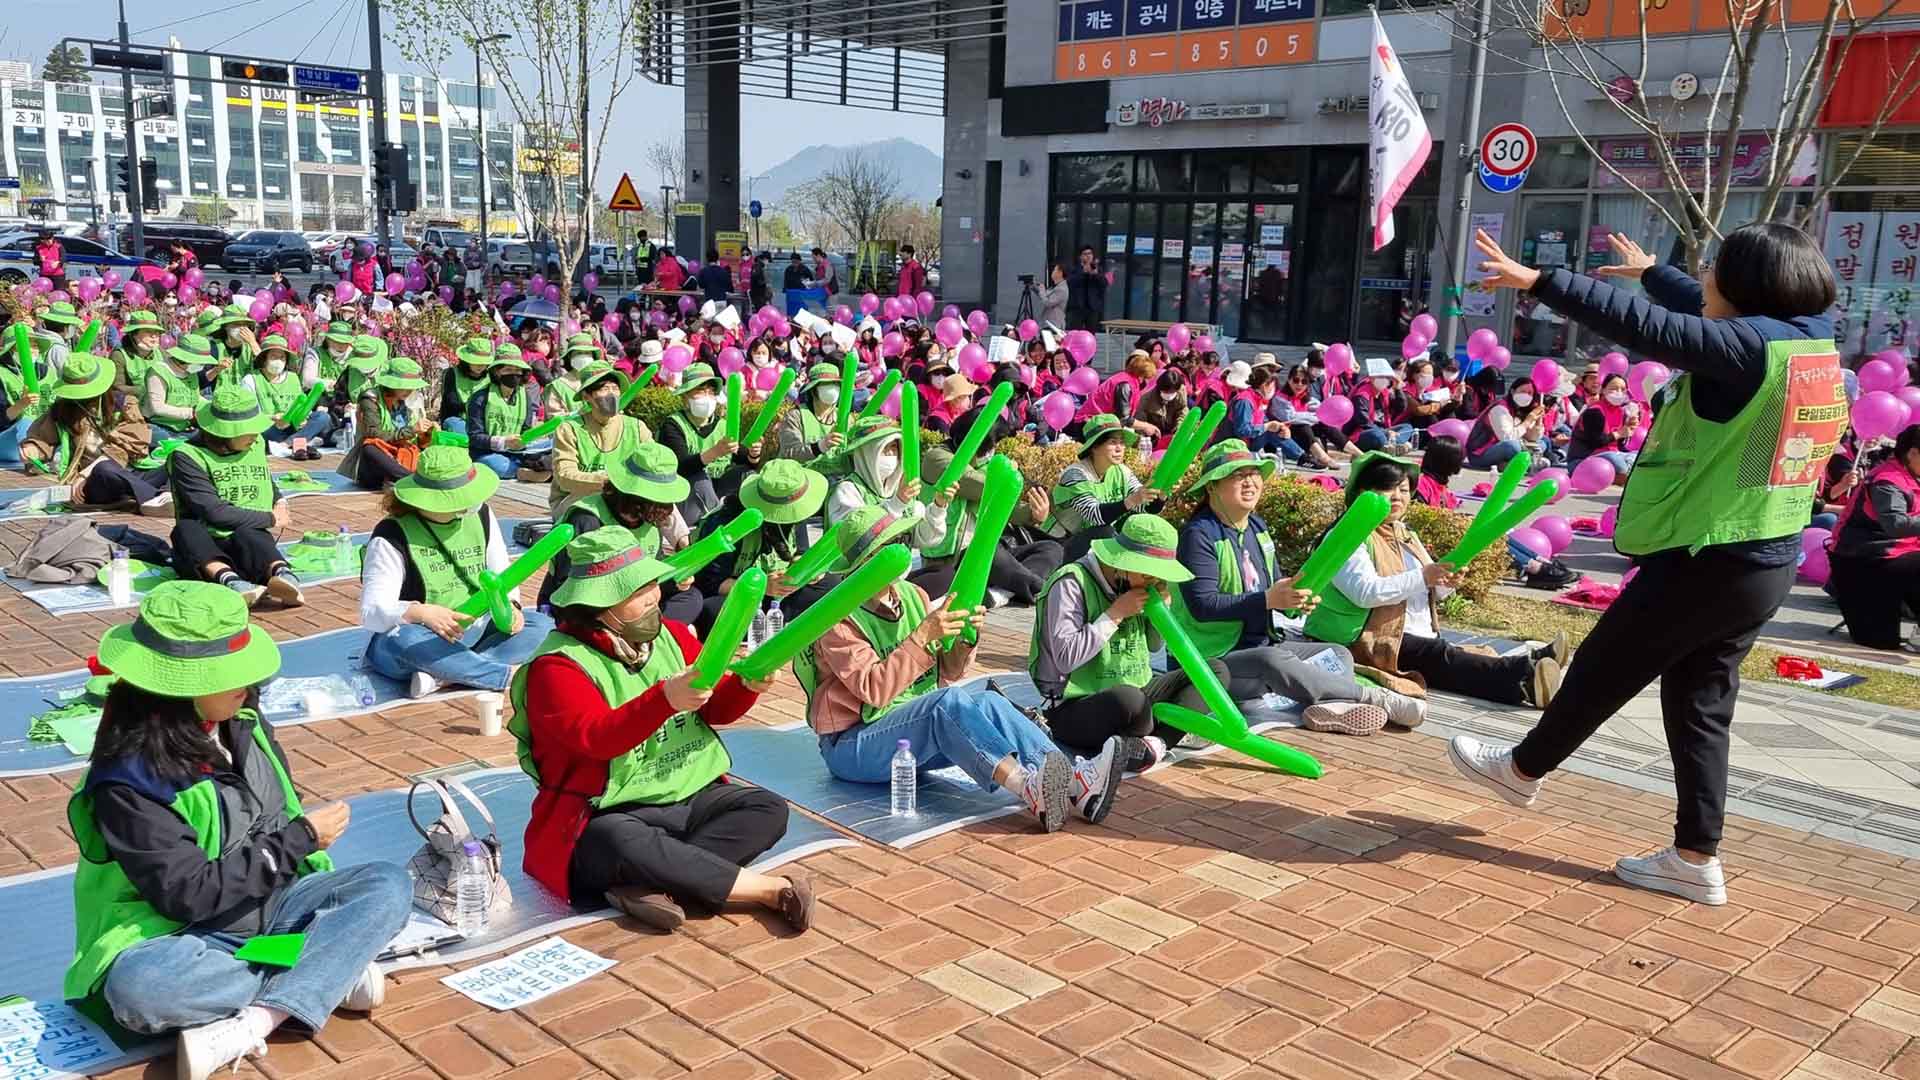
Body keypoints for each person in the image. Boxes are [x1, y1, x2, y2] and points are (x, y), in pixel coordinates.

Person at [1446, 224, 1844, 907]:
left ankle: (1521, 769)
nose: (1707, 277)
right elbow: (1693, 309)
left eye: (1715, 268)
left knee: (1604, 668)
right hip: (1765, 555)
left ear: (1747, 287)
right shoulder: (1806, 342)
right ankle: (1695, 857)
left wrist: (1541, 282)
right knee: (1699, 704)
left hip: (1710, 554)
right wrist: (1656, 271)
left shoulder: (1747, 349)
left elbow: (1659, 330)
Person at [64, 582, 410, 1080]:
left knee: (386, 885)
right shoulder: (129, 778)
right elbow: (188, 897)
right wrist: (301, 840)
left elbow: (272, 814)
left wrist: (296, 850)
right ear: (180, 685)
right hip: (180, 935)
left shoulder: (241, 719)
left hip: (273, 906)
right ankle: (325, 976)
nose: (247, 687)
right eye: (231, 678)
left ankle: (258, 1019)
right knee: (143, 992)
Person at [508, 526, 813, 933]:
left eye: (651, 583)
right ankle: (770, 891)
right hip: (607, 812)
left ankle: (651, 883)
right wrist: (664, 699)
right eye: (638, 591)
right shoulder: (557, 666)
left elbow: (715, 706)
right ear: (600, 606)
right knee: (616, 841)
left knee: (768, 810)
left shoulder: (668, 635)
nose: (654, 595)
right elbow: (596, 738)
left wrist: (745, 687)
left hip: (689, 793)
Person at [801, 505, 1125, 830]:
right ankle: (1027, 786)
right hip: (851, 746)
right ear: (865, 563)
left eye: (898, 540)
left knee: (989, 703)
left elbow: (947, 673)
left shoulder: (912, 595)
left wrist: (965, 637)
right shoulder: (839, 618)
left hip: (907, 728)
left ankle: (1076, 784)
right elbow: (874, 690)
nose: (898, 550)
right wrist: (922, 636)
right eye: (886, 546)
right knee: (947, 703)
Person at [1176, 441, 1424, 733]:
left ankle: (1328, 708)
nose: (1250, 482)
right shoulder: (1198, 535)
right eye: (1237, 475)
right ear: (1212, 487)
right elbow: (1203, 606)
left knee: (1336, 654)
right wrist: (1269, 600)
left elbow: (1275, 587)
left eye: (1253, 473)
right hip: (1213, 658)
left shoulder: (1256, 527)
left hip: (1261, 643)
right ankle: (1371, 698)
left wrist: (1293, 599)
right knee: (1273, 660)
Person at [1303, 452, 1564, 707]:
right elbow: (1365, 593)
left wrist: (1445, 582)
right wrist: (1425, 575)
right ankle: (1523, 678)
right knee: (1440, 656)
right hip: (1365, 638)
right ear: (1362, 493)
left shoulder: (1404, 533)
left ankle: (1535, 662)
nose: (1397, 497)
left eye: (1404, 490)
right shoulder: (1347, 536)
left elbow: (1426, 590)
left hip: (1410, 633)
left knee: (1447, 654)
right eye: (1387, 488)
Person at [1030, 514, 1226, 766]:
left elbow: (1154, 646)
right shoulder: (1071, 582)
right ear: (1119, 563)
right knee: (1130, 700)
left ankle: (1156, 743)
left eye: (1159, 576)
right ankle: (1153, 735)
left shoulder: (1137, 586)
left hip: (1138, 691)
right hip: (1074, 705)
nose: (1154, 582)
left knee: (1213, 671)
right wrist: (1115, 614)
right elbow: (1066, 658)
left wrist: (1159, 617)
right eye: (1148, 575)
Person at [362, 444, 555, 697]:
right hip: (421, 635)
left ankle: (445, 675)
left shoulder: (482, 514)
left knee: (543, 627)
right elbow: (372, 611)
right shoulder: (391, 535)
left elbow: (501, 574)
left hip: (478, 629)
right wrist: (421, 612)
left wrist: (512, 609)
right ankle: (502, 676)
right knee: (403, 642)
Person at [164, 384, 306, 607]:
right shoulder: (187, 456)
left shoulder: (255, 443)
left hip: (247, 543)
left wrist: (278, 499)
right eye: (246, 430)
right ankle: (233, 583)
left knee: (250, 534)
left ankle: (284, 575)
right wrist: (271, 518)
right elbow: (214, 512)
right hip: (207, 545)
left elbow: (263, 477)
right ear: (222, 432)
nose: (254, 434)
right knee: (186, 530)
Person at [911, 405, 1063, 606]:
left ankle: (998, 595)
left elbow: (1004, 508)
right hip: (950, 560)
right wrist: (1011, 479)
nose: (993, 451)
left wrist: (1034, 514)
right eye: (992, 444)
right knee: (993, 556)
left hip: (985, 550)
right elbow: (975, 482)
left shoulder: (985, 466)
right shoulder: (937, 457)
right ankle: (1043, 593)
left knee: (1050, 549)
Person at [540, 442, 698, 617]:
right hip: (589, 605)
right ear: (641, 500)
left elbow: (655, 567)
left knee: (691, 597)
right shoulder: (587, 520)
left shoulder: (649, 523)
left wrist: (676, 579)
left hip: (635, 598)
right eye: (664, 501)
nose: (669, 509)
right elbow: (570, 585)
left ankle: (655, 628)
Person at [690, 459, 826, 631]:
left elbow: (800, 551)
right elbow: (710, 582)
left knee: (830, 585)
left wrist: (806, 570)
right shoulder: (728, 523)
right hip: (743, 593)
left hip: (780, 594)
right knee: (713, 611)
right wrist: (763, 586)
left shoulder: (796, 511)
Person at [22, 353, 167, 509]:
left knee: (174, 461)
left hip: (129, 473)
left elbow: (126, 449)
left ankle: (148, 496)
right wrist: (32, 450)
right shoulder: (63, 408)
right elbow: (42, 438)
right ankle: (154, 499)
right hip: (89, 483)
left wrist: (87, 473)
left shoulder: (124, 404)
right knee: (103, 469)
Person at [1828, 425, 1920, 649]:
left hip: (1900, 556)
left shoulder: (1913, 473)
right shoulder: (1887, 481)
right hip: (1866, 560)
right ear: (1913, 453)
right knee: (1878, 641)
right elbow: (1895, 524)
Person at [1043, 413, 1161, 564]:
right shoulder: (1075, 474)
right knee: (1107, 532)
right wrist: (1133, 499)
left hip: (1091, 541)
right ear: (1095, 447)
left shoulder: (1121, 471)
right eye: (1112, 442)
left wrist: (1160, 496)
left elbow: (1144, 507)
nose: (1120, 448)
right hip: (1058, 544)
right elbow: (1095, 515)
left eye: (1122, 442)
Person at [823, 416, 951, 546]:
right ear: (866, 452)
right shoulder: (848, 491)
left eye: (894, 447)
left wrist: (938, 507)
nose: (891, 453)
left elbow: (925, 539)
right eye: (884, 447)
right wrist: (897, 504)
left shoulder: (900, 491)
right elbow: (855, 537)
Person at [660, 362, 761, 522]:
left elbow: (743, 458)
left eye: (711, 392)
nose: (707, 397)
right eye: (700, 391)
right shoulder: (673, 425)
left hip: (719, 491)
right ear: (685, 397)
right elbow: (680, 467)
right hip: (688, 496)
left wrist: (753, 455)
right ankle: (715, 525)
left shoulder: (722, 425)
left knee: (748, 475)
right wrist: (715, 453)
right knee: (700, 478)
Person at [549, 362, 651, 518]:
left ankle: (684, 540)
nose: (611, 394)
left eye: (615, 388)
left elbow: (653, 462)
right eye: (604, 389)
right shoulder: (570, 429)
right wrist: (607, 482)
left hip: (627, 496)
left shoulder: (636, 427)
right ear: (586, 396)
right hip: (578, 498)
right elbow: (565, 476)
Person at [338, 358, 431, 490]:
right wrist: (411, 430)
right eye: (404, 386)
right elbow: (374, 433)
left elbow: (412, 441)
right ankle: (411, 480)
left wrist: (424, 436)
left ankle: (411, 479)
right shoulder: (370, 398)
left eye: (411, 386)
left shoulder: (406, 402)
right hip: (374, 465)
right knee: (370, 447)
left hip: (399, 456)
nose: (409, 390)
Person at [463, 346, 550, 482]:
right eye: (508, 370)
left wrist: (527, 439)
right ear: (497, 372)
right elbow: (474, 437)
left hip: (518, 451)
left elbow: (526, 429)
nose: (514, 374)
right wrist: (504, 442)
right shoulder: (480, 397)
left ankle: (534, 466)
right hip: (487, 452)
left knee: (549, 446)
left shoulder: (525, 396)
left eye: (517, 370)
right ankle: (522, 472)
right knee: (495, 464)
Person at [246, 334, 332, 454]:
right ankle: (302, 441)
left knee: (322, 417)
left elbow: (301, 403)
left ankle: (286, 444)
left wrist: (305, 419)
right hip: (270, 427)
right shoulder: (251, 379)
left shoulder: (292, 377)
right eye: (274, 357)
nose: (278, 361)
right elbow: (248, 416)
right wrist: (273, 418)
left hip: (293, 426)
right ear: (264, 359)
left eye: (282, 358)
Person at [0, 317, 56, 467]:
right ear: (10, 350)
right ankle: (35, 459)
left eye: (35, 345)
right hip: (8, 439)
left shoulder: (48, 372)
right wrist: (22, 404)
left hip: (44, 436)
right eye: (26, 346)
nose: (32, 350)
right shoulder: (2, 374)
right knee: (25, 424)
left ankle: (55, 457)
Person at [1463, 375, 1548, 470]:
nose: (1526, 396)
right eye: (1523, 392)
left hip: (1507, 446)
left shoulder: (1520, 410)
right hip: (1481, 454)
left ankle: (1507, 465)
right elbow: (1507, 438)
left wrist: (1537, 421)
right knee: (1512, 446)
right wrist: (1527, 421)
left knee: (1543, 442)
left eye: (1529, 393)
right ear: (1512, 391)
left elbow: (1533, 438)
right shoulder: (1500, 408)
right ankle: (1528, 464)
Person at [1568, 371, 1640, 478]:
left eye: (1623, 389)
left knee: (1637, 455)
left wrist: (1628, 429)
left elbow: (1618, 446)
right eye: (1613, 389)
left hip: (1612, 455)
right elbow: (1595, 442)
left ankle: (1622, 475)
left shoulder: (1621, 412)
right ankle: (1624, 474)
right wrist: (1619, 434)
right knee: (1615, 461)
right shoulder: (1594, 411)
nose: (1619, 392)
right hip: (1583, 459)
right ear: (1603, 390)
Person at [776, 361, 847, 469]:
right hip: (801, 479)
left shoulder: (846, 418)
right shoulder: (795, 416)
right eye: (825, 384)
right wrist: (820, 446)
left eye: (835, 384)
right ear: (813, 390)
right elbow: (789, 452)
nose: (832, 389)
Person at [438, 337, 496, 431]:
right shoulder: (452, 374)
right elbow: (451, 402)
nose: (480, 366)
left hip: (484, 418)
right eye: (476, 361)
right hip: (459, 418)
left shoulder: (491, 376)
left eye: (484, 362)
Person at [110, 309, 166, 397]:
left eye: (156, 332)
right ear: (134, 334)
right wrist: (147, 390)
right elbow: (117, 387)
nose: (154, 336)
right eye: (148, 331)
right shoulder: (119, 355)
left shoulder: (161, 352)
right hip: (135, 401)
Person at [1066, 246, 1107, 332]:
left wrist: (1096, 275)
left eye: (1090, 254)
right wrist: (1083, 272)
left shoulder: (1098, 269)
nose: (1088, 256)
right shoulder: (1074, 269)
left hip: (1092, 307)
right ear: (1080, 257)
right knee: (1075, 333)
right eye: (1085, 254)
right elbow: (1069, 282)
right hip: (1077, 307)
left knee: (1091, 333)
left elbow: (1104, 284)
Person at [1040, 261, 1070, 330]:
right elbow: (1045, 296)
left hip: (1054, 324)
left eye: (1054, 270)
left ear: (1060, 273)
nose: (1052, 272)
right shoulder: (1056, 286)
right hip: (1048, 323)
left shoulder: (1061, 289)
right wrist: (1036, 288)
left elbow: (1048, 302)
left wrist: (1042, 290)